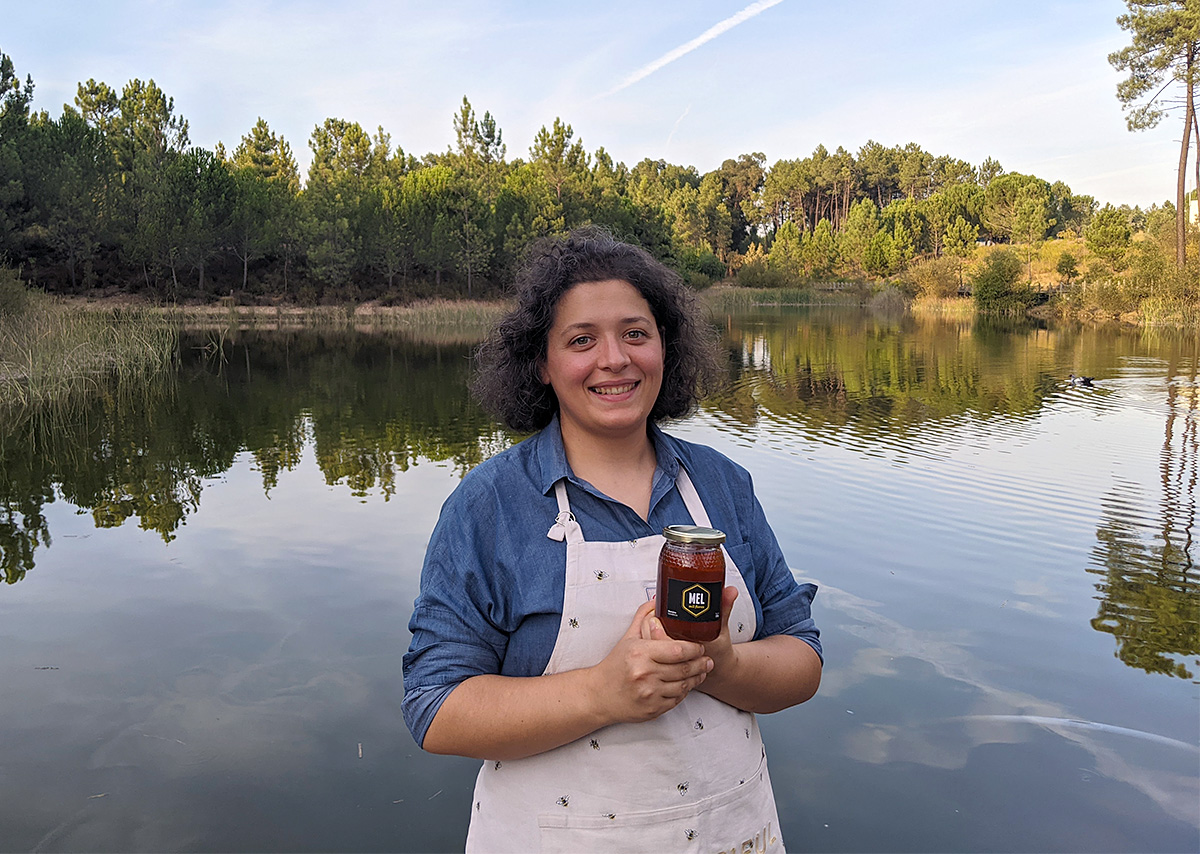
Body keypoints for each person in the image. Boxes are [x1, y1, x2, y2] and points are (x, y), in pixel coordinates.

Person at [402, 228, 822, 853]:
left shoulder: (723, 484)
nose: (615, 359)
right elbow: (434, 709)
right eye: (581, 340)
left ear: (664, 348)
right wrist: (602, 692)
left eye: (635, 333)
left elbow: (803, 661)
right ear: (541, 364)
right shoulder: (489, 505)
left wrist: (723, 665)